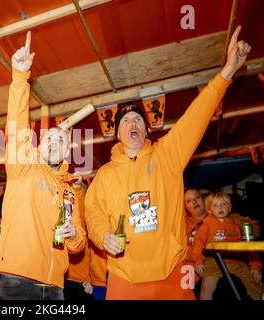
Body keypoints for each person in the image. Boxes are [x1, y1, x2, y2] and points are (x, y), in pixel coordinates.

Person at [84, 26, 251, 300]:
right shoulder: (104, 174)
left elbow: (194, 118)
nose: (132, 123)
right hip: (124, 278)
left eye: (138, 119)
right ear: (117, 134)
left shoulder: (167, 155)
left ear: (147, 130)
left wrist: (226, 73)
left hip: (172, 275)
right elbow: (92, 213)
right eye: (125, 121)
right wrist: (103, 235)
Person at [0, 31, 86, 300]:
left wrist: (71, 236)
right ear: (38, 145)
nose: (55, 142)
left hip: (56, 283)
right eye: (50, 138)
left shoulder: (69, 191)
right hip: (17, 278)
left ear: (69, 151)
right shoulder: (23, 167)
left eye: (62, 140)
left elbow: (78, 243)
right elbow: (16, 125)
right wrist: (20, 77)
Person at [193, 192, 262, 300]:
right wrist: (198, 261)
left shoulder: (238, 224)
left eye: (224, 204)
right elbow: (198, 243)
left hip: (237, 261)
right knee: (206, 285)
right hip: (214, 261)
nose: (220, 207)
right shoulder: (207, 224)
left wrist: (255, 264)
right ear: (209, 210)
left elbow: (249, 245)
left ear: (229, 208)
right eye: (215, 205)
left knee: (255, 284)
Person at [64, 178, 93, 301]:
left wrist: (94, 279)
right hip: (62, 279)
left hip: (83, 282)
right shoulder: (60, 207)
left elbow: (98, 253)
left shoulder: (88, 213)